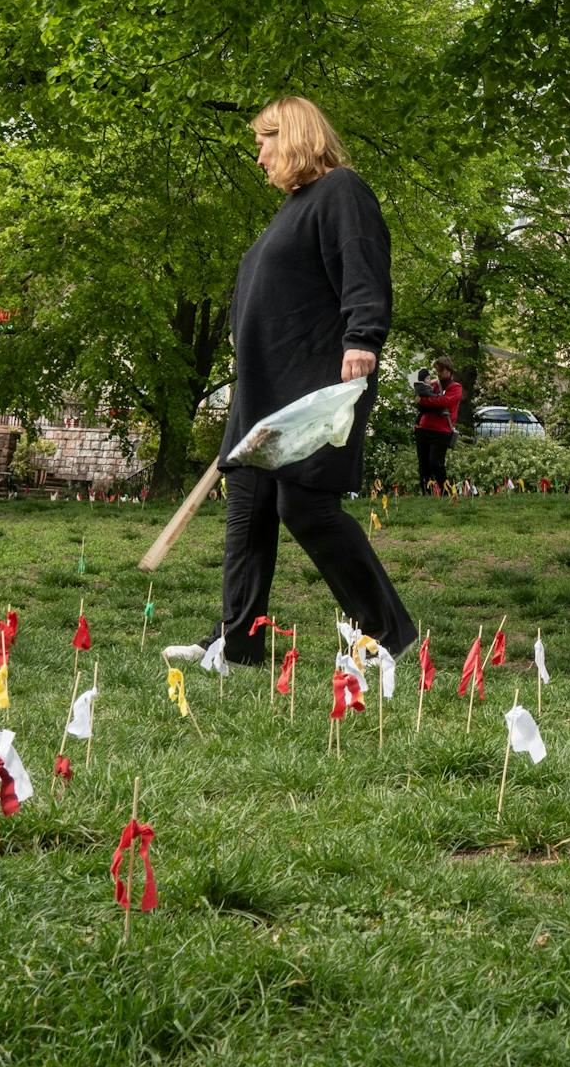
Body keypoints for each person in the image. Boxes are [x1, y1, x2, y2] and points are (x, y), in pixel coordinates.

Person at [164, 97, 417, 680]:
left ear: (294, 134)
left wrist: (363, 337)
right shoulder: (295, 207)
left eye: (263, 141)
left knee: (304, 505)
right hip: (265, 388)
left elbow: (364, 267)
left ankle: (388, 633)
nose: (259, 156)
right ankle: (238, 641)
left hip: (313, 383)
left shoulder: (342, 191)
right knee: (248, 510)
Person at [414, 358, 462, 493]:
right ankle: (426, 493)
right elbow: (420, 399)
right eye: (437, 370)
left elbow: (443, 402)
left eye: (441, 370)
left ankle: (446, 492)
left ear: (449, 370)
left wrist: (424, 400)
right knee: (423, 465)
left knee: (436, 463)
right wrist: (425, 400)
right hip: (423, 428)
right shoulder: (433, 385)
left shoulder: (456, 387)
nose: (438, 373)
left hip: (442, 431)